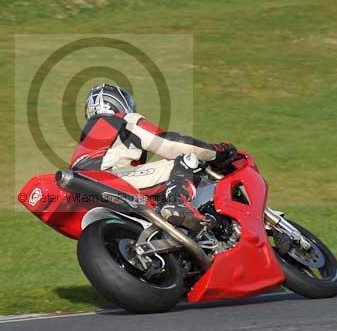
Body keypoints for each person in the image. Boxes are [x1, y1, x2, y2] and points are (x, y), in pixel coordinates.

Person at [69, 83, 238, 233]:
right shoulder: (121, 120)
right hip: (111, 180)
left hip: (85, 194)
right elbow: (169, 144)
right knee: (187, 160)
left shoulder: (88, 142)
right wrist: (216, 152)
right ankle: (176, 204)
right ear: (119, 102)